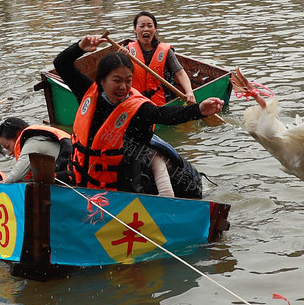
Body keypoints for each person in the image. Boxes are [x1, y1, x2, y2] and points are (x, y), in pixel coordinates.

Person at [53, 35, 223, 197]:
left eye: (128, 80)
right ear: (102, 81)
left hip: (121, 193)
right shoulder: (87, 91)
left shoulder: (139, 110)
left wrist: (199, 110)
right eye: (117, 80)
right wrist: (80, 47)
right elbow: (61, 64)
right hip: (82, 181)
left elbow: (164, 115)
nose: (123, 87)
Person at [121, 11, 196, 104]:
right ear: (135, 29)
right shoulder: (126, 51)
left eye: (150, 26)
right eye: (141, 26)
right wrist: (120, 57)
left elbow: (180, 73)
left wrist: (189, 92)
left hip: (161, 101)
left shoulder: (166, 51)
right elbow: (115, 73)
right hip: (135, 101)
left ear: (155, 29)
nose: (146, 29)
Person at [0, 117, 73, 183]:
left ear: (19, 134)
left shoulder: (32, 142)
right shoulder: (39, 138)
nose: (10, 153)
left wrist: (0, 186)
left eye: (8, 146)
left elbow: (17, 175)